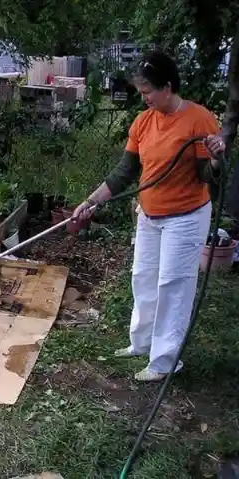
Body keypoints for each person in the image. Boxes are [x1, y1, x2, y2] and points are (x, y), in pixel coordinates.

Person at [73, 50, 226, 382]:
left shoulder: (199, 120)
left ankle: (165, 360)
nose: (143, 99)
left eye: (147, 92)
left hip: (185, 217)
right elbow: (124, 172)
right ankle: (141, 343)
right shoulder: (143, 122)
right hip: (150, 214)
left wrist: (215, 160)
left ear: (167, 87)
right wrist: (91, 201)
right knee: (143, 276)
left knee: (173, 283)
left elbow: (206, 174)